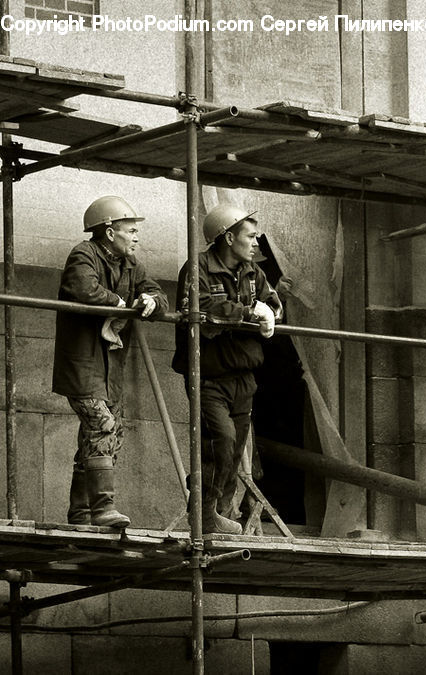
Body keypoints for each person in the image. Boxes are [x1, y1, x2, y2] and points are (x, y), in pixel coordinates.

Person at [53, 196, 169, 528]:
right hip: (83, 364)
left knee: (103, 433)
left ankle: (81, 512)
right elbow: (84, 289)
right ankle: (103, 508)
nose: (136, 237)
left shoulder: (132, 264)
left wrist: (150, 300)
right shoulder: (82, 255)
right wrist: (122, 302)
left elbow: (158, 295)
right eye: (130, 231)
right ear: (108, 232)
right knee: (101, 427)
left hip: (109, 367)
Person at [172, 203, 282, 535]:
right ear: (228, 237)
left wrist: (270, 311)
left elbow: (273, 304)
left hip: (243, 375)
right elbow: (202, 309)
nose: (255, 243)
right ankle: (205, 512)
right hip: (209, 375)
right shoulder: (198, 268)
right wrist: (250, 312)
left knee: (233, 451)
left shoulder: (254, 272)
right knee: (220, 441)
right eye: (250, 236)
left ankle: (217, 512)